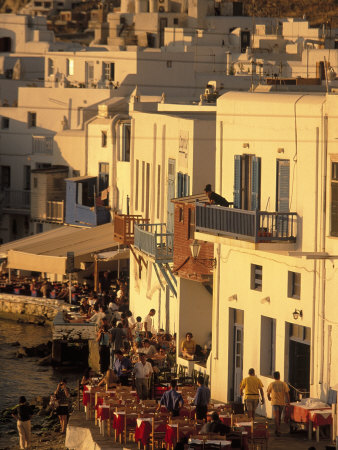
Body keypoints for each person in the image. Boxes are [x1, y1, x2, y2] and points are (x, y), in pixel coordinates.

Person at [267, 371, 290, 436]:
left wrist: (269, 398)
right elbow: (287, 394)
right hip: (282, 403)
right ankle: (277, 429)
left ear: (274, 377)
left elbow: (268, 393)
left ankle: (278, 430)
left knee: (276, 417)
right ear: (279, 376)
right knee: (279, 417)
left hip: (275, 402)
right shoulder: (284, 384)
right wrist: (288, 401)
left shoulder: (272, 384)